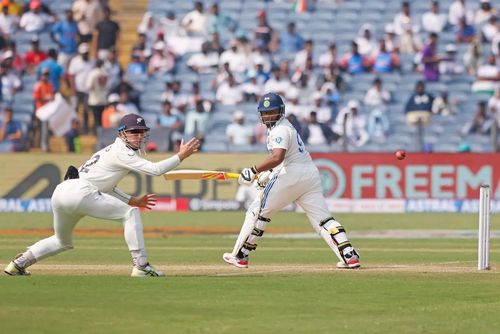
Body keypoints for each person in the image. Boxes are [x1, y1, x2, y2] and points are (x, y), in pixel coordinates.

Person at [4, 113, 201, 277]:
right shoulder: (122, 151)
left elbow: (107, 186)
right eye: (135, 132)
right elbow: (156, 169)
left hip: (63, 192)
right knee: (130, 214)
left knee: (61, 241)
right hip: (80, 192)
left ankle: (18, 264)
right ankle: (141, 266)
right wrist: (180, 156)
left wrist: (133, 200)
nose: (140, 136)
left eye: (142, 132)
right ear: (123, 133)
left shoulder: (111, 150)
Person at [222, 93, 360, 269]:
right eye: (265, 113)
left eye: (271, 112)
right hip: (309, 174)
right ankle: (349, 255)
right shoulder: (287, 127)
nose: (268, 116)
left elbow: (278, 157)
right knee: (323, 220)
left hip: (292, 175)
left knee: (257, 211)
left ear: (280, 112)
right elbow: (284, 159)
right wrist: (269, 173)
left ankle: (240, 256)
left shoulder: (279, 129)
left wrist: (254, 170)